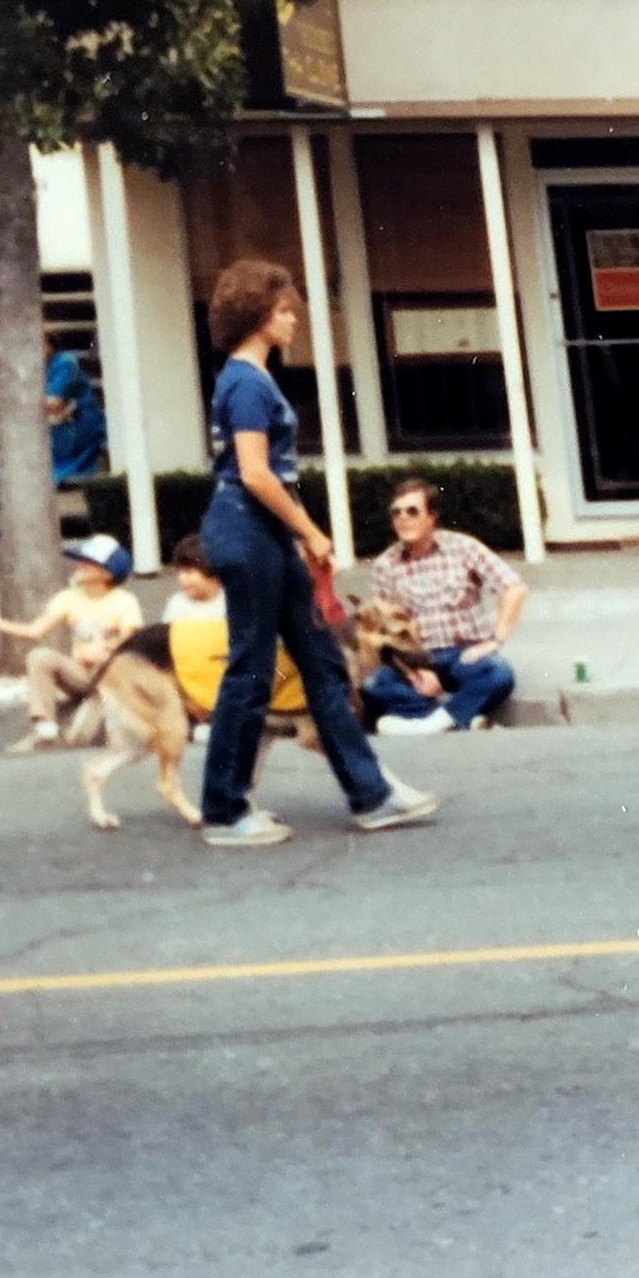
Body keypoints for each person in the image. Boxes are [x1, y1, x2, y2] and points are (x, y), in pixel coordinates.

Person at [196, 259, 437, 845]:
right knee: (251, 670)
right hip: (249, 531)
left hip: (265, 535)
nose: (293, 320)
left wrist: (298, 536)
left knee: (323, 660)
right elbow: (255, 473)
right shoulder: (246, 383)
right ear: (257, 317)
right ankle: (224, 811)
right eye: (284, 311)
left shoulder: (252, 379)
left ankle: (372, 793)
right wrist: (310, 530)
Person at [363, 478, 526, 735]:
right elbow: (385, 632)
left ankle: (428, 721)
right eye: (396, 512)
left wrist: (495, 640)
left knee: (498, 674)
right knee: (374, 684)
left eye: (412, 511)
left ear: (432, 517)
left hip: (464, 655)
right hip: (416, 658)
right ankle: (458, 718)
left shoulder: (463, 548)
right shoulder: (385, 565)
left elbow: (514, 588)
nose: (403, 518)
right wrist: (412, 672)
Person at [0, 533, 143, 753]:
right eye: (81, 561)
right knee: (40, 657)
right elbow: (35, 630)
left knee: (114, 662)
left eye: (88, 563)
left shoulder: (124, 601)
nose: (79, 566)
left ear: (107, 572)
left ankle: (112, 724)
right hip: (82, 674)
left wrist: (106, 648)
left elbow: (130, 638)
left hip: (114, 677)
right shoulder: (68, 597)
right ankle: (45, 727)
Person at [0, 338, 108, 485]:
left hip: (76, 423)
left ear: (49, 345)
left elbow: (55, 403)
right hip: (48, 420)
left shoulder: (65, 363)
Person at [162, 534, 226, 623]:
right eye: (180, 572)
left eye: (189, 572)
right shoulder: (177, 605)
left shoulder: (229, 605)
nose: (182, 578)